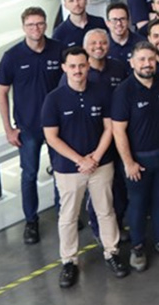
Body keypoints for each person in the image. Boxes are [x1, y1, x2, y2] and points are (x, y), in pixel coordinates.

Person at [43, 47, 128, 287]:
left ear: (88, 66)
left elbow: (109, 127)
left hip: (101, 165)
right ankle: (69, 261)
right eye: (72, 66)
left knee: (106, 210)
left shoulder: (102, 92)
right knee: (68, 216)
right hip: (69, 169)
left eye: (82, 65)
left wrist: (96, 157)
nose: (78, 70)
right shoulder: (54, 99)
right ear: (64, 68)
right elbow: (52, 137)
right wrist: (80, 160)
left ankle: (112, 252)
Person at [0, 7, 65, 246]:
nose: (36, 29)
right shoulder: (12, 56)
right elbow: (2, 92)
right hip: (28, 128)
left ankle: (63, 213)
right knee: (29, 174)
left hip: (58, 125)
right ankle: (31, 221)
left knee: (62, 171)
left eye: (39, 24)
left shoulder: (58, 50)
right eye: (30, 25)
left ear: (45, 25)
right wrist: (8, 129)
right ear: (23, 27)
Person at [111, 42, 159, 272]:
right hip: (138, 161)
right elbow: (118, 130)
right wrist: (129, 162)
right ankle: (138, 247)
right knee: (138, 205)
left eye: (150, 59)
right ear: (132, 63)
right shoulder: (123, 92)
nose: (147, 64)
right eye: (141, 59)